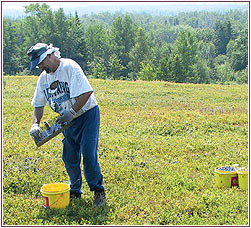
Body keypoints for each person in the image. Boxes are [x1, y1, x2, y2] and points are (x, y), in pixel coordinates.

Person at [27, 43, 105, 207]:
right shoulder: (43, 78)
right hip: (68, 121)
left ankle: (98, 191)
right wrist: (35, 124)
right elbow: (38, 104)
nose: (40, 67)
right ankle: (75, 191)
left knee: (88, 154)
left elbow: (86, 93)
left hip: (87, 115)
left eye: (41, 63)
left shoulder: (69, 67)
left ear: (49, 56)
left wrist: (72, 111)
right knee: (69, 155)